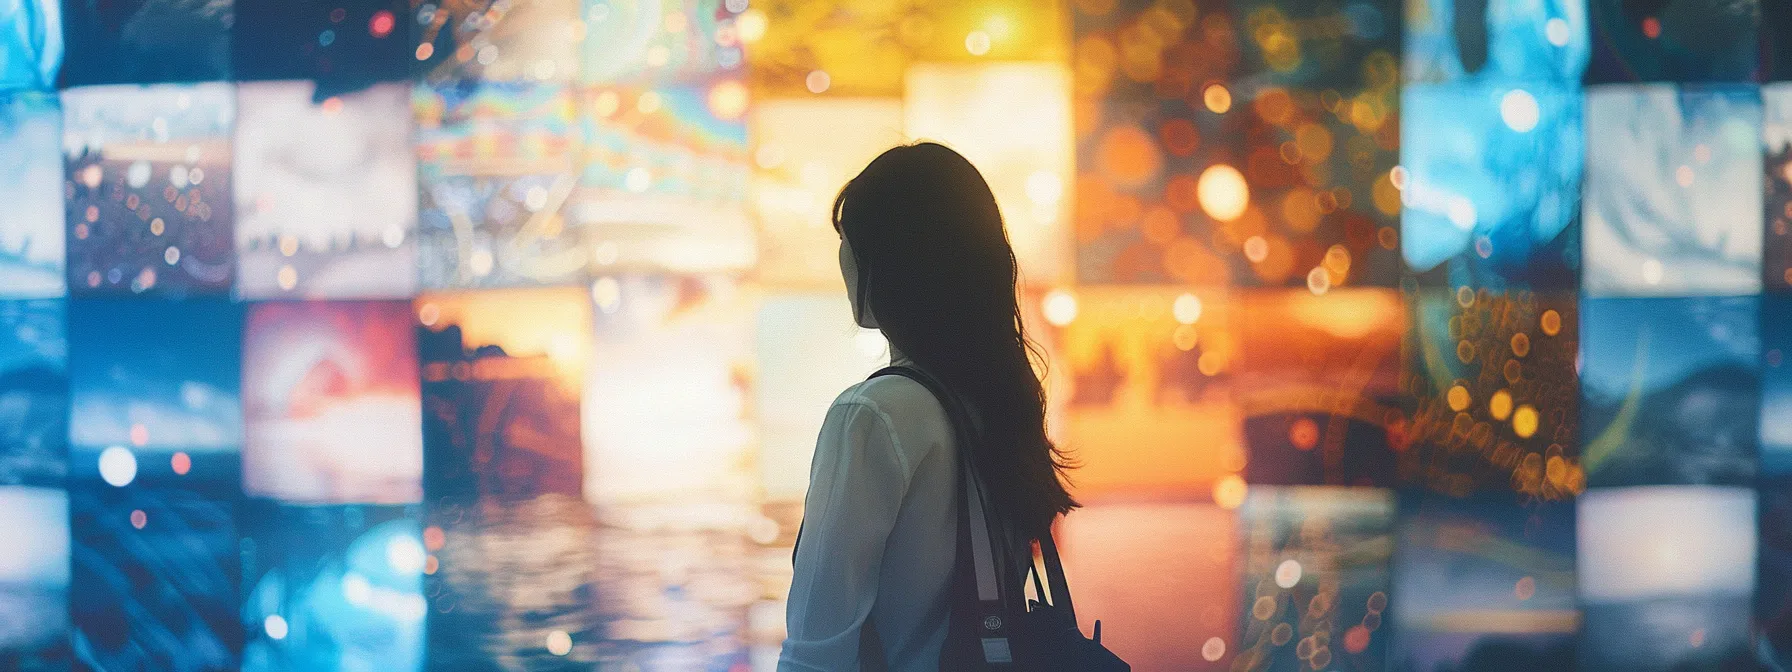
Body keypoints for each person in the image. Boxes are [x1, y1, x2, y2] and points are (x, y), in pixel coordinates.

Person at [778, 143, 1079, 671]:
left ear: (890, 261)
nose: (843, 260)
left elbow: (817, 649)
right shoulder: (998, 400)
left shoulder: (872, 414)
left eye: (848, 241)